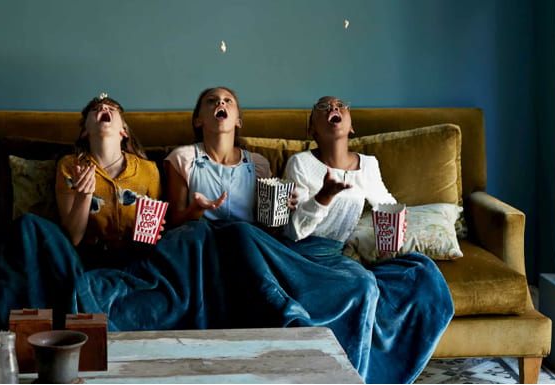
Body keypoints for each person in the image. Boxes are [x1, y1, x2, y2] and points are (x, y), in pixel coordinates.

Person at [279, 96, 455, 383]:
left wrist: (390, 244)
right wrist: (325, 195)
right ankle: (348, 377)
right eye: (323, 108)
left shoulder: (369, 166)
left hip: (336, 255)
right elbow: (295, 231)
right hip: (300, 255)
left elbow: (388, 206)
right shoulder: (300, 163)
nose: (333, 109)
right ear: (312, 130)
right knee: (362, 286)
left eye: (339, 106)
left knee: (421, 272)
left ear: (351, 126)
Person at [0, 93, 162, 328]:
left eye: (112, 108)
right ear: (85, 131)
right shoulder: (70, 166)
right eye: (96, 109)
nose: (104, 107)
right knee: (28, 224)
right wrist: (83, 197)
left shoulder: (148, 170)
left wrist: (151, 233)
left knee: (191, 237)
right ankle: (22, 331)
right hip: (81, 259)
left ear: (124, 130)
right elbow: (72, 237)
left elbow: (150, 238)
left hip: (131, 261)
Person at [164, 86, 275, 226]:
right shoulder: (182, 158)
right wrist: (197, 208)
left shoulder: (258, 164)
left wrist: (284, 209)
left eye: (228, 100)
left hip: (244, 239)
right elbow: (174, 222)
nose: (220, 103)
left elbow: (267, 224)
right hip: (200, 238)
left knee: (241, 229)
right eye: (211, 101)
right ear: (198, 120)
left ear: (238, 121)